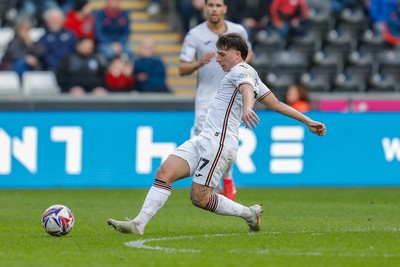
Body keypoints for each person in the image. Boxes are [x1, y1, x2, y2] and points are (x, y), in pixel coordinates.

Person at [107, 32, 326, 235]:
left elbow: (246, 90)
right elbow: (277, 104)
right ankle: (138, 224)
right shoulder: (249, 73)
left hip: (219, 144)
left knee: (199, 198)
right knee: (165, 172)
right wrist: (307, 121)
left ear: (237, 54)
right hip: (205, 138)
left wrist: (248, 108)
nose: (217, 59)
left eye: (222, 54)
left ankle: (249, 214)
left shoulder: (242, 71)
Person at [178, 0, 253, 200]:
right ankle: (218, 183)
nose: (214, 9)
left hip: (231, 97)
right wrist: (198, 63)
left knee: (227, 141)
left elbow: (249, 54)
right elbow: (181, 68)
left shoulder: (238, 31)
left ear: (225, 9)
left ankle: (226, 180)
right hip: (206, 98)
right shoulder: (195, 34)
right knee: (206, 142)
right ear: (205, 8)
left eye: (218, 5)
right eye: (210, 5)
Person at [38, 7, 77, 72]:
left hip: (69, 69)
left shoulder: (70, 35)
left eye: (57, 19)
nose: (54, 22)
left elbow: (74, 52)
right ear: (47, 21)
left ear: (62, 20)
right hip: (51, 70)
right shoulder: (43, 39)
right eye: (52, 19)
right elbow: (44, 56)